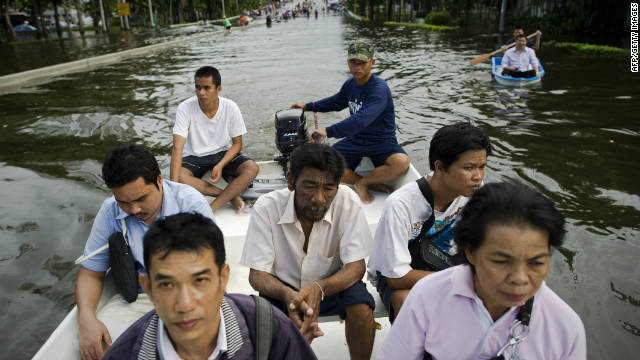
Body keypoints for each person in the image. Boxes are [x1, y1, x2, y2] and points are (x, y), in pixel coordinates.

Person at [377, 181, 587, 359]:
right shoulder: (427, 297)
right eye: (501, 262)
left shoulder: (565, 328)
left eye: (537, 263)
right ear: (470, 251)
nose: (520, 279)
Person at [103, 212, 317, 359]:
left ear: (223, 279)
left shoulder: (269, 327)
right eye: (167, 284)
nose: (185, 305)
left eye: (200, 280)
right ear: (147, 287)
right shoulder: (124, 354)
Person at [76, 144, 214, 360]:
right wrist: (86, 318)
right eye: (124, 202)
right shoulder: (110, 210)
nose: (134, 210)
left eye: (141, 199)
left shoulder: (190, 204)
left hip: (190, 296)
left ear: (159, 181)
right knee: (99, 348)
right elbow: (91, 273)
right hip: (140, 298)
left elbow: (207, 274)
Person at [240, 143, 376, 360]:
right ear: (290, 180)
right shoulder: (266, 207)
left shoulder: (348, 201)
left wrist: (318, 289)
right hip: (281, 289)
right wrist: (289, 295)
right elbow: (257, 275)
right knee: (264, 320)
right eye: (309, 186)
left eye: (329, 188)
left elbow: (356, 267)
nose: (319, 198)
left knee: (361, 307)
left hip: (332, 286)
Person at [368, 122, 491, 321]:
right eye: (469, 168)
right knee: (407, 301)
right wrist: (462, 281)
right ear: (439, 167)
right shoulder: (401, 205)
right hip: (399, 275)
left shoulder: (474, 192)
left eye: (482, 167)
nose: (477, 176)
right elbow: (396, 277)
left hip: (444, 265)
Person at [291, 41, 410, 204]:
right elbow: (336, 102)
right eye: (353, 62)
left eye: (362, 62)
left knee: (401, 162)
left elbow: (361, 120)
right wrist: (307, 106)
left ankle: (363, 183)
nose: (357, 67)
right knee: (323, 163)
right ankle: (362, 182)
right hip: (356, 140)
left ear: (372, 63)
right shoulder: (350, 84)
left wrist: (328, 131)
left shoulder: (379, 89)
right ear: (348, 62)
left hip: (381, 141)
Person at [170, 66, 259, 213]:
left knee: (252, 168)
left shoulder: (231, 107)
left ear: (219, 89)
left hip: (223, 154)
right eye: (197, 87)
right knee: (178, 176)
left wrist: (221, 165)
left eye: (206, 88)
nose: (201, 92)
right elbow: (177, 147)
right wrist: (172, 189)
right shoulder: (184, 108)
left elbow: (237, 144)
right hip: (194, 157)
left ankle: (212, 207)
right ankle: (229, 196)